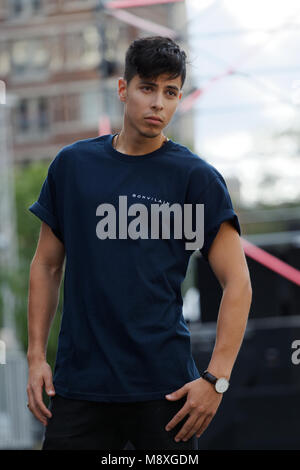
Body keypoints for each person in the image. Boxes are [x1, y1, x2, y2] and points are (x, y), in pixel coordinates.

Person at [26, 35, 252, 451]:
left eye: (171, 92)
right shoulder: (73, 167)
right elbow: (46, 265)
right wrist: (36, 356)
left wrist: (216, 380)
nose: (158, 104)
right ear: (123, 89)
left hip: (166, 392)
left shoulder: (194, 178)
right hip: (79, 387)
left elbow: (238, 282)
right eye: (148, 88)